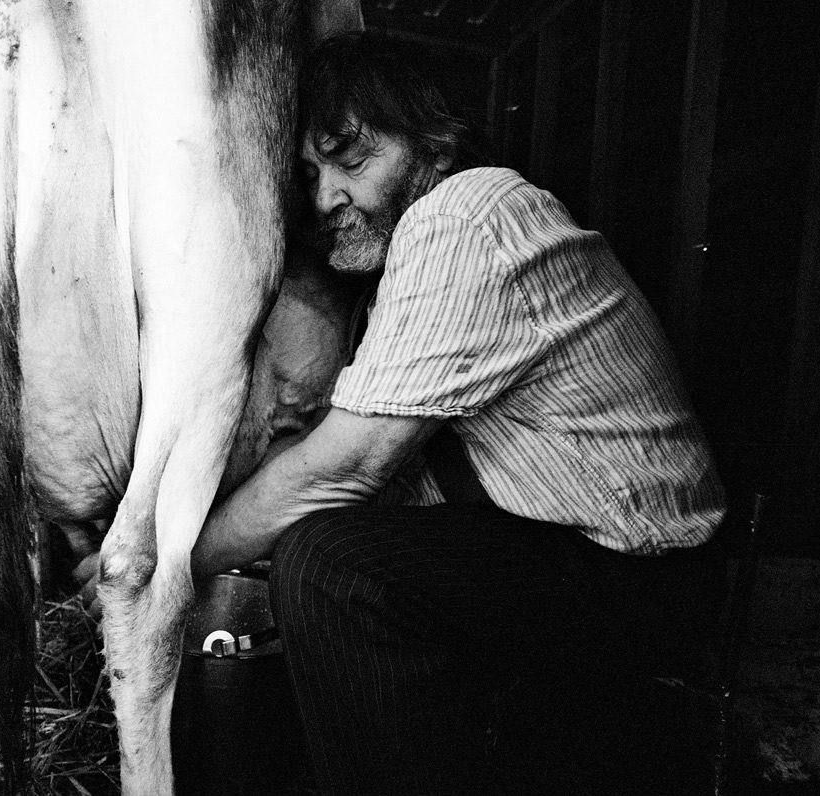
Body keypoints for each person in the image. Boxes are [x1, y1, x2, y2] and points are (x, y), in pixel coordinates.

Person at [192, 31, 726, 794]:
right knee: (322, 556)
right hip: (555, 555)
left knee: (335, 567)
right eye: (312, 173)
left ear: (434, 140)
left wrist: (176, 560)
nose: (325, 198)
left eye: (353, 161)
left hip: (640, 579)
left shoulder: (469, 215)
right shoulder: (398, 273)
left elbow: (345, 467)